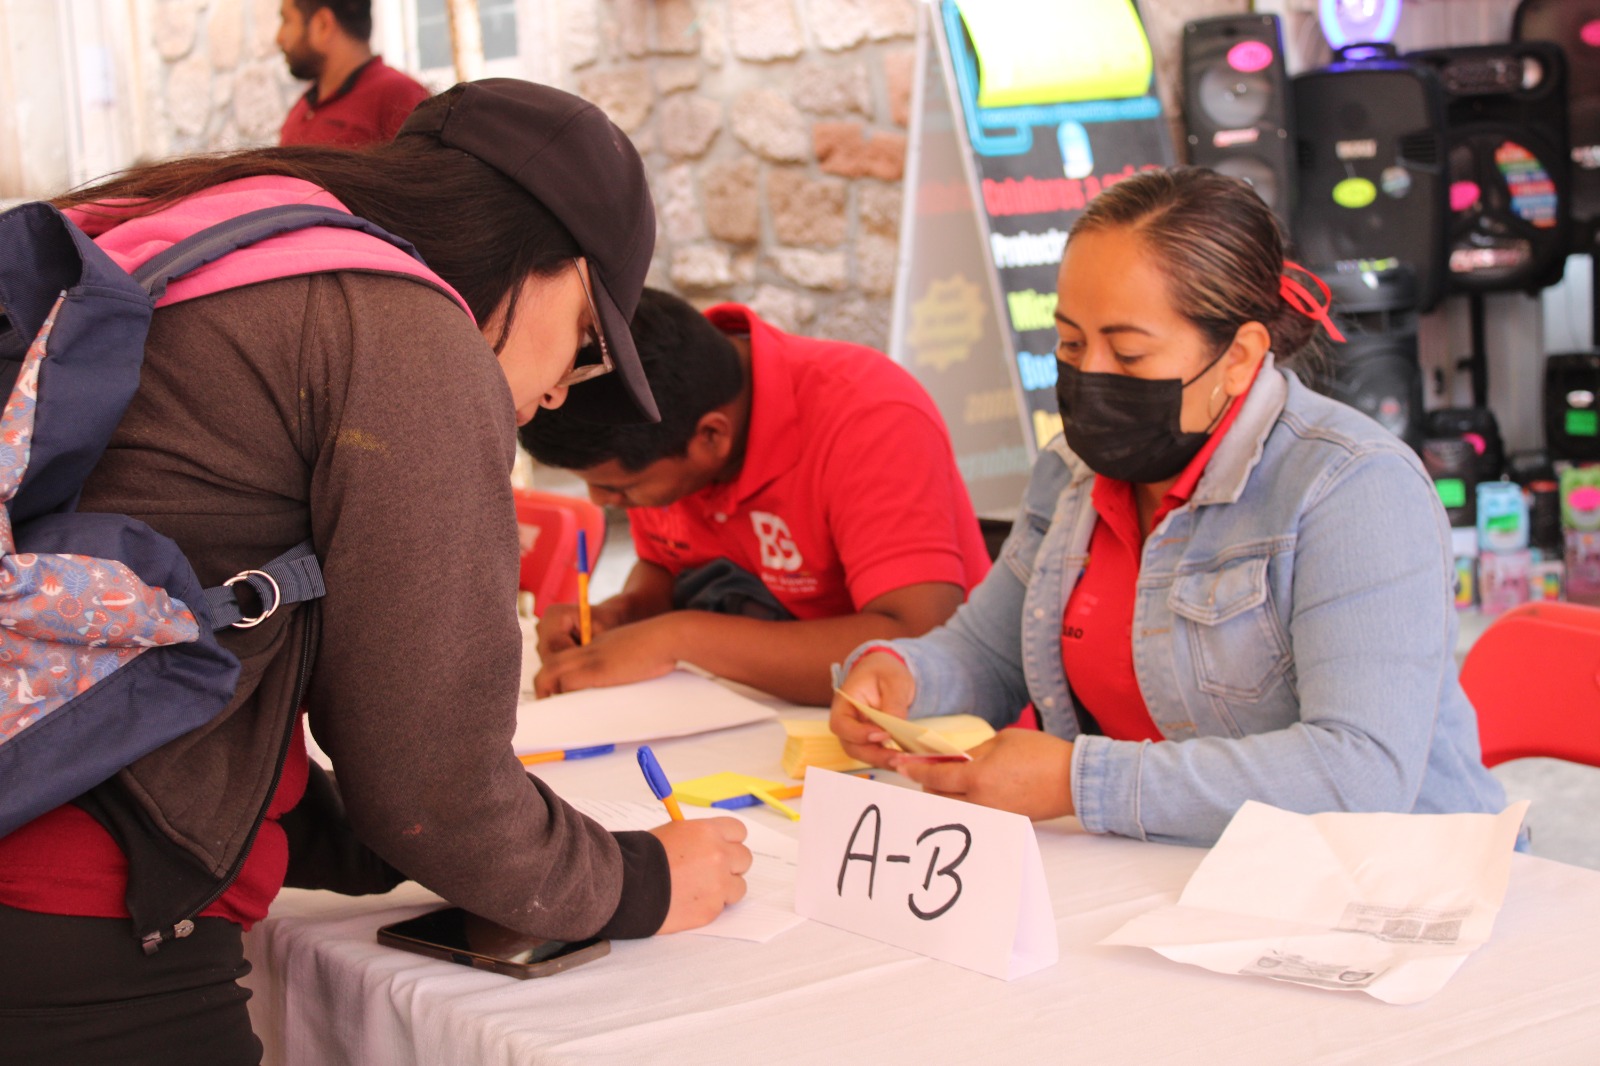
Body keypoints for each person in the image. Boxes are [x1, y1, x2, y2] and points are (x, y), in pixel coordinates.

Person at [0, 80, 748, 1065]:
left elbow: (224, 702)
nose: (563, 381)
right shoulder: (406, 331)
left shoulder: (229, 237)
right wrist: (633, 881)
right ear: (550, 263)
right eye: (586, 335)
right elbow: (433, 779)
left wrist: (408, 844)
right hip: (89, 916)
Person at [831, 167, 1509, 844]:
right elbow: (990, 652)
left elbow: (1357, 773)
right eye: (1070, 343)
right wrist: (903, 676)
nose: (1090, 375)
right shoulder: (1073, 472)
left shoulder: (1354, 488)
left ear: (1240, 357)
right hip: (1175, 880)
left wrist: (1078, 781)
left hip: (1394, 891)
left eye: (1128, 355)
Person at [520, 288, 992, 706]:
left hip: (930, 748)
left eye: (621, 488)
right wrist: (621, 617)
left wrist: (678, 637)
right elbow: (666, 568)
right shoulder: (662, 413)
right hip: (749, 718)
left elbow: (919, 641)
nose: (601, 501)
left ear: (710, 437)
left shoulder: (870, 419)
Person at [276, 0, 430, 147]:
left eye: (286, 20)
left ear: (323, 24)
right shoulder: (307, 102)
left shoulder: (401, 96)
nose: (279, 38)